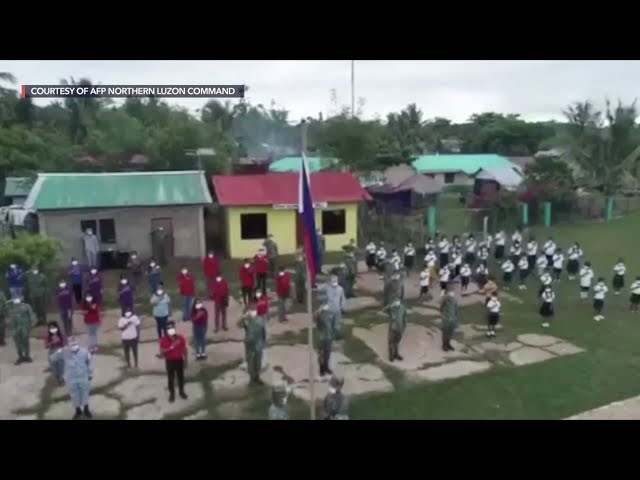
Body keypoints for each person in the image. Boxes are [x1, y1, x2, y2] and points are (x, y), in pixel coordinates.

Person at [52, 337, 93, 419]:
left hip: (83, 377)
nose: (74, 347)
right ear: (68, 345)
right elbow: (53, 358)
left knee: (84, 393)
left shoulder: (85, 351)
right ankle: (78, 411)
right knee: (74, 395)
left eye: (75, 344)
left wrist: (90, 374)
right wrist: (58, 351)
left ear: (78, 344)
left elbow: (89, 363)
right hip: (71, 378)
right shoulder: (64, 352)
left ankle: (86, 409)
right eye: (72, 345)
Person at [159, 321, 189, 402]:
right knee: (171, 378)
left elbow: (184, 349)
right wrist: (171, 347)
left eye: (172, 327)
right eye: (169, 328)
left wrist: (186, 360)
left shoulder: (181, 338)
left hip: (179, 360)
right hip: (170, 361)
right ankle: (172, 394)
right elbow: (162, 352)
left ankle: (181, 392)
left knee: (181, 377)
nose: (170, 329)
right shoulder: (163, 340)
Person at [238, 303, 266, 386]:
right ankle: (251, 379)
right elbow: (238, 325)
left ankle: (257, 377)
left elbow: (263, 331)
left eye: (255, 309)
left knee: (258, 361)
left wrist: (263, 342)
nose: (253, 311)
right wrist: (243, 317)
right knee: (250, 362)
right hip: (250, 344)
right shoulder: (247, 319)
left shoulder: (261, 318)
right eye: (251, 309)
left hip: (259, 343)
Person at [8, 297, 35, 364]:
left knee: (25, 341)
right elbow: (9, 318)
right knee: (18, 343)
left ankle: (27, 356)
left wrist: (31, 324)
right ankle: (20, 356)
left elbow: (31, 315)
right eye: (14, 299)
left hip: (24, 327)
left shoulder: (26, 306)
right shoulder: (11, 308)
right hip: (15, 328)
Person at [315, 300, 336, 376]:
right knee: (321, 355)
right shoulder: (319, 316)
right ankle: (321, 369)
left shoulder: (330, 315)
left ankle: (326, 367)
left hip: (329, 337)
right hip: (322, 338)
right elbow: (316, 317)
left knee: (327, 354)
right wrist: (320, 310)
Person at [45, 321, 65, 385]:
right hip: (52, 352)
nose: (52, 329)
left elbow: (64, 343)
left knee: (61, 365)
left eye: (54, 327)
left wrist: (60, 342)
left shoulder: (60, 334)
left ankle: (61, 378)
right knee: (54, 367)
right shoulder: (48, 336)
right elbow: (46, 346)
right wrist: (52, 342)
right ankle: (57, 379)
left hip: (60, 351)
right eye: (51, 328)